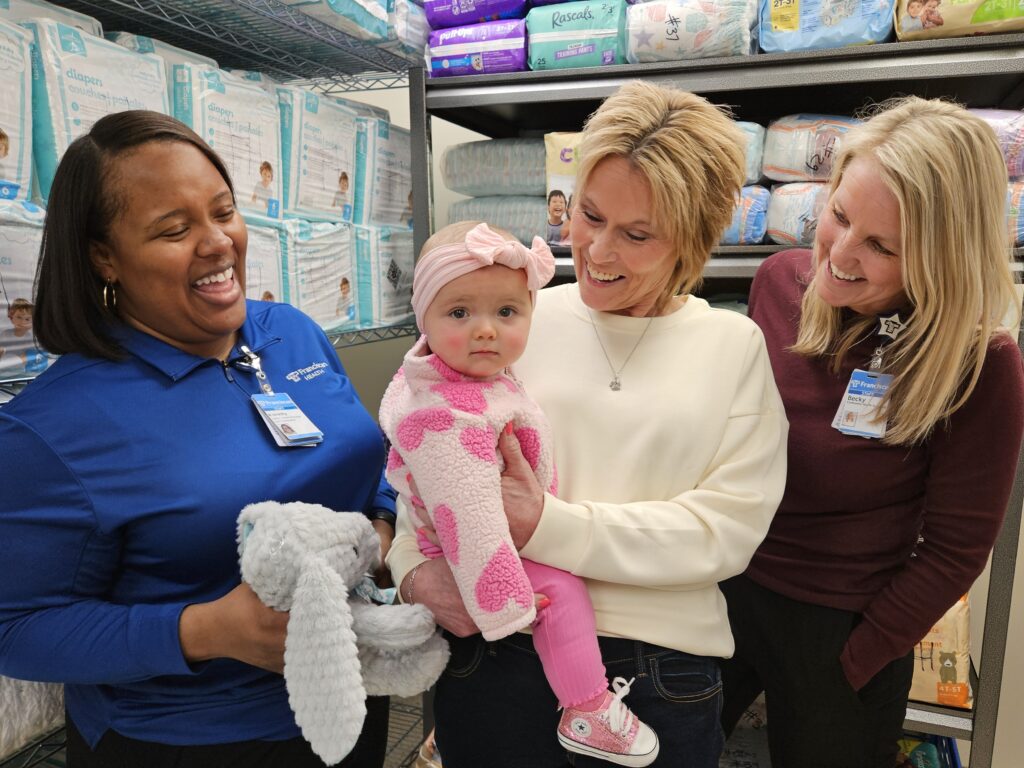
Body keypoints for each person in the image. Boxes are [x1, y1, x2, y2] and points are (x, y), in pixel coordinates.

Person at [387, 80, 789, 768]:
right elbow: (427, 462)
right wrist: (410, 572)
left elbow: (728, 531)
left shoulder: (733, 346)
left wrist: (548, 525)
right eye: (589, 215)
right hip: (498, 650)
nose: (598, 251)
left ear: (691, 241)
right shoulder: (510, 318)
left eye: (637, 235)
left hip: (661, 673)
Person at [0, 110, 398, 768]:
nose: (218, 242)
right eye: (174, 230)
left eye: (224, 211)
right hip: (196, 740)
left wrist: (378, 529)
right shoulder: (52, 428)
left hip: (352, 689)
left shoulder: (289, 332)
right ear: (105, 257)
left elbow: (361, 456)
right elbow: (16, 630)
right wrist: (205, 631)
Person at [718, 96, 1024, 768]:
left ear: (944, 259)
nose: (841, 253)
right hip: (723, 592)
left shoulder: (979, 365)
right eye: (839, 215)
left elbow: (954, 549)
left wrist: (856, 660)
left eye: (881, 245)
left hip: (839, 628)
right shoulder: (777, 283)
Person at [379, 220, 660, 766]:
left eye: (506, 313)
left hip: (504, 536)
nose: (486, 330)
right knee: (562, 595)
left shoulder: (469, 378)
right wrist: (504, 606)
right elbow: (469, 516)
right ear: (425, 320)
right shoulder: (442, 415)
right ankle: (587, 707)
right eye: (459, 313)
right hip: (476, 555)